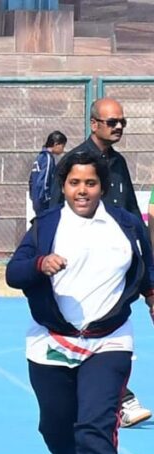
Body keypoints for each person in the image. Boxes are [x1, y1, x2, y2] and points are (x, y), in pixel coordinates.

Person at [5, 151, 153, 454]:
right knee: (55, 423)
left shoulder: (126, 226)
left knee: (97, 422)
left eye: (90, 183)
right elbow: (14, 273)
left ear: (102, 186)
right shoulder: (46, 226)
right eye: (74, 183)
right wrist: (40, 264)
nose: (82, 190)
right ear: (64, 185)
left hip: (109, 340)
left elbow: (147, 271)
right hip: (53, 340)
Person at [52, 98, 151, 428]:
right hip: (79, 272)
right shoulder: (75, 163)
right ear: (94, 124)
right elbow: (52, 215)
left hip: (115, 272)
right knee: (84, 340)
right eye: (112, 122)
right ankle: (120, 399)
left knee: (114, 338)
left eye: (122, 121)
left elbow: (134, 218)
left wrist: (149, 276)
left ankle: (118, 398)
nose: (119, 127)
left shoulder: (119, 164)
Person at [29, 130, 67, 215]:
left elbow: (31, 180)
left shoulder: (39, 157)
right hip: (44, 201)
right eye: (62, 146)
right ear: (56, 144)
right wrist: (47, 198)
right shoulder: (48, 158)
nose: (63, 150)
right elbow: (44, 179)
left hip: (36, 200)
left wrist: (33, 197)